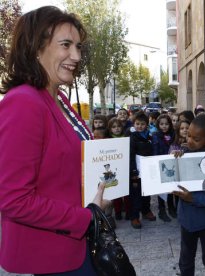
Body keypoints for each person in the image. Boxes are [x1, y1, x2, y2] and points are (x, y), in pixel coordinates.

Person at [0, 6, 106, 274]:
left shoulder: (58, 100)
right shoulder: (24, 102)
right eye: (66, 45)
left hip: (79, 246)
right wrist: (87, 217)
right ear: (36, 48)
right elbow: (14, 199)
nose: (76, 56)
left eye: (78, 47)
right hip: (56, 255)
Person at [172, 114, 205, 276]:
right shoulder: (184, 152)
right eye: (188, 135)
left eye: (196, 139)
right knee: (186, 257)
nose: (189, 141)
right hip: (187, 219)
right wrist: (176, 160)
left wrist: (192, 198)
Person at [128, 112, 157, 229]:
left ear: (147, 124)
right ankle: (134, 216)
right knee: (136, 195)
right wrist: (133, 170)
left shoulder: (150, 136)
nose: (140, 126)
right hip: (136, 171)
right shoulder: (132, 137)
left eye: (142, 124)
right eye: (137, 124)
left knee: (147, 192)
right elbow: (130, 154)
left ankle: (146, 211)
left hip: (147, 170)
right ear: (134, 124)